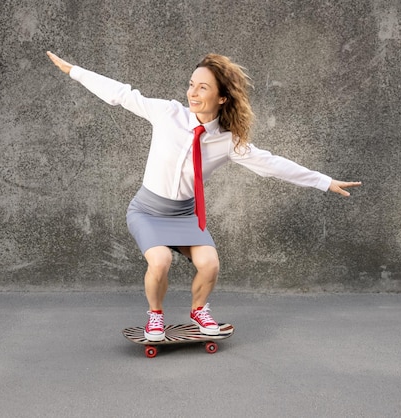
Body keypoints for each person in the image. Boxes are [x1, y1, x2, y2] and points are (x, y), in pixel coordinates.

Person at [46, 51, 361, 342]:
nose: (192, 93)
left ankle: (199, 310)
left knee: (210, 264)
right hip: (148, 210)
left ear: (222, 97)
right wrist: (74, 71)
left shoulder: (226, 142)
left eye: (203, 88)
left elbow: (270, 164)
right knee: (161, 260)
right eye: (191, 85)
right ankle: (155, 317)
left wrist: (324, 181)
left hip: (185, 215)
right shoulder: (167, 113)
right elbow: (122, 95)